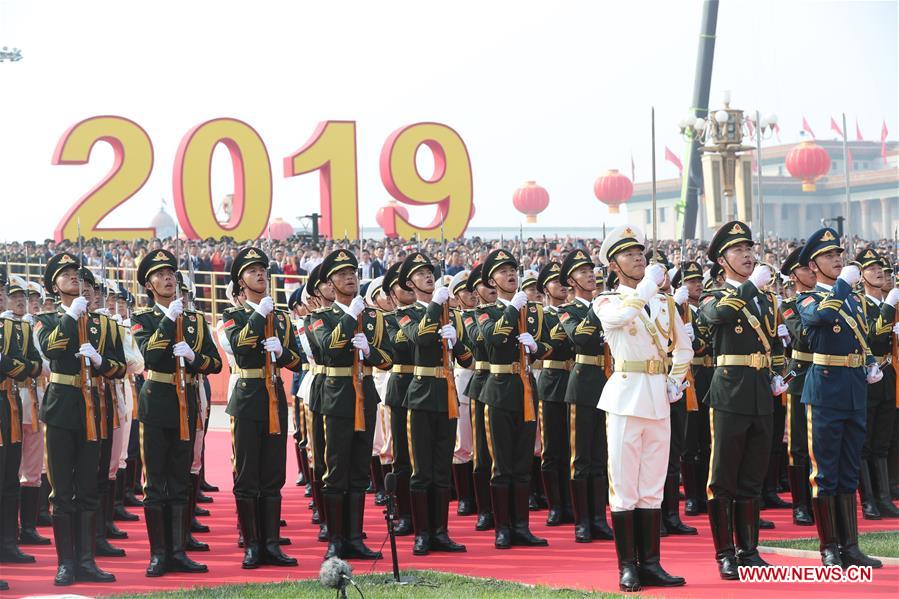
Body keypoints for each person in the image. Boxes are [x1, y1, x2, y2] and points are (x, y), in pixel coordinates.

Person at [595, 226, 691, 592]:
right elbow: (617, 321)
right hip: (625, 395)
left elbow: (683, 348)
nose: (639, 258)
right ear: (614, 265)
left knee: (652, 486)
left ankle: (651, 563)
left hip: (657, 396)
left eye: (641, 253)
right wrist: (646, 289)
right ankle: (628, 566)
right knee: (624, 486)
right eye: (630, 254)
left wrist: (675, 380)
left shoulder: (666, 304)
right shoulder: (606, 300)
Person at [700, 221, 786, 579]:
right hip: (730, 393)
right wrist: (751, 286)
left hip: (760, 394)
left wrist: (780, 373)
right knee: (723, 478)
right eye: (738, 250)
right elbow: (717, 316)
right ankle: (725, 553)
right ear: (722, 260)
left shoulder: (765, 298)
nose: (748, 255)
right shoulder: (713, 295)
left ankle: (749, 551)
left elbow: (776, 343)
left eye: (750, 249)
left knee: (752, 477)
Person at [131, 249, 222, 577]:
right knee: (156, 482)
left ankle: (179, 550)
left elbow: (215, 362)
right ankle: (159, 554)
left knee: (180, 480)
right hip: (157, 402)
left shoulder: (195, 320)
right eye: (160, 275)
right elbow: (151, 357)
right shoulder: (144, 318)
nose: (168, 278)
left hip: (187, 401)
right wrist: (169, 320)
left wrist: (195, 357)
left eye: (171, 273)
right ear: (149, 285)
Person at [796, 229, 882, 568]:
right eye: (829, 256)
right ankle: (829, 548)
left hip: (853, 387)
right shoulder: (807, 298)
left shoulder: (853, 300)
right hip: (826, 389)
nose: (837, 260)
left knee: (849, 469)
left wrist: (871, 363)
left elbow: (860, 339)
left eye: (838, 254)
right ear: (813, 264)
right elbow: (819, 320)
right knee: (825, 472)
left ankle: (851, 545)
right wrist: (842, 286)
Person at [36, 253, 123, 585]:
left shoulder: (103, 323)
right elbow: (52, 349)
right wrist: (71, 317)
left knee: (88, 487)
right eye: (66, 274)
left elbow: (117, 366)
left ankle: (87, 560)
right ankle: (66, 562)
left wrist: (100, 361)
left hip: (93, 408)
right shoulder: (46, 319)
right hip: (61, 408)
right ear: (54, 285)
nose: (74, 277)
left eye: (77, 273)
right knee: (62, 491)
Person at [223, 247, 303, 569]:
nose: (261, 274)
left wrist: (282, 351)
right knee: (247, 475)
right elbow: (241, 347)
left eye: (263, 269)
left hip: (274, 395)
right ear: (240, 281)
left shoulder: (281, 318)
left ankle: (271, 544)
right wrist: (258, 316)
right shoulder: (233, 316)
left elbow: (298, 360)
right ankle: (253, 544)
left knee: (272, 474)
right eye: (252, 270)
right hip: (247, 397)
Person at [310, 249, 392, 561]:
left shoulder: (372, 317)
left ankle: (354, 538)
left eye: (353, 273)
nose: (349, 278)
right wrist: (347, 319)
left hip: (365, 392)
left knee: (359, 468)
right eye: (342, 274)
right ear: (330, 282)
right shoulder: (320, 318)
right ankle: (336, 540)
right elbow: (328, 349)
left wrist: (369, 351)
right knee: (335, 468)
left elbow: (388, 357)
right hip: (336, 394)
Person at [476, 248, 552, 549]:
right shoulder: (485, 311)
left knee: (522, 463)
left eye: (512, 269)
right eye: (503, 271)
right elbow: (493, 338)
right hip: (499, 390)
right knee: (501, 464)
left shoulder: (532, 311)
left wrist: (536, 347)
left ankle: (521, 526)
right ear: (492, 280)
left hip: (526, 389)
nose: (510, 274)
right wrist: (511, 310)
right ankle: (503, 527)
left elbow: (552, 346)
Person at [397, 252, 472, 555]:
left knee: (442, 468)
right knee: (421, 470)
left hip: (447, 394)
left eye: (430, 272)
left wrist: (457, 341)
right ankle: (422, 533)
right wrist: (433, 308)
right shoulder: (406, 313)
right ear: (410, 283)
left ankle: (441, 532)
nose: (428, 277)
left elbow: (467, 358)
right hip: (421, 394)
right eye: (421, 274)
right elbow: (419, 338)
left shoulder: (451, 314)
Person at [557, 249, 614, 542]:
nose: (590, 275)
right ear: (571, 280)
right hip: (582, 384)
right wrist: (597, 306)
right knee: (581, 457)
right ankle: (582, 522)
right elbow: (579, 336)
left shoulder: (606, 304)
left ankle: (598, 517)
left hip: (607, 382)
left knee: (600, 455)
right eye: (583, 272)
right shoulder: (569, 310)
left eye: (591, 270)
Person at [854, 248, 899, 519]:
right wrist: (887, 309)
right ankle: (869, 499)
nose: (879, 272)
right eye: (871, 268)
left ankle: (884, 497)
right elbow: (870, 337)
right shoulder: (859, 304)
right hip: (867, 374)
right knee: (866, 440)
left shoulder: (889, 303)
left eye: (881, 268)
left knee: (883, 439)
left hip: (888, 372)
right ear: (860, 276)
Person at [534, 261, 575, 527]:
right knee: (553, 448)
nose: (561, 283)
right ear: (544, 288)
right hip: (553, 379)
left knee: (576, 447)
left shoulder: (578, 311)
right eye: (555, 280)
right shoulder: (541, 315)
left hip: (578, 378)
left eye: (564, 279)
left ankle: (573, 503)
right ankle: (556, 505)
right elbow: (540, 347)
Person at [380, 261, 418, 536]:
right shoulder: (389, 319)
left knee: (427, 457)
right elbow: (400, 344)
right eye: (401, 285)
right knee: (403, 455)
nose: (408, 287)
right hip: (403, 385)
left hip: (430, 387)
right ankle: (404, 513)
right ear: (392, 294)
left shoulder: (429, 313)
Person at [779, 246, 816, 526]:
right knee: (800, 445)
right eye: (805, 267)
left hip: (829, 375)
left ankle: (820, 499)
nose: (812, 270)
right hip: (802, 376)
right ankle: (801, 504)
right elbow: (803, 336)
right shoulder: (790, 305)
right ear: (794, 275)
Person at [673, 262, 713, 519]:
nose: (697, 284)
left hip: (709, 374)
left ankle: (705, 493)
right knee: (689, 441)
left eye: (699, 280)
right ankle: (692, 496)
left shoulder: (707, 308)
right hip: (691, 373)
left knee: (707, 439)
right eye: (691, 281)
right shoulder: (677, 309)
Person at [464, 263, 496, 532]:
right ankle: (485, 509)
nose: (492, 289)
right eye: (486, 285)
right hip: (483, 381)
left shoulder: (513, 311)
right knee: (482, 452)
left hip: (509, 383)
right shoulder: (471, 316)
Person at [450, 270, 477, 517]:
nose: (472, 295)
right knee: (463, 442)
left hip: (489, 377)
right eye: (465, 291)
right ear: (456, 296)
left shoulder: (486, 313)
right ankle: (465, 497)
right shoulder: (454, 319)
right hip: (466, 376)